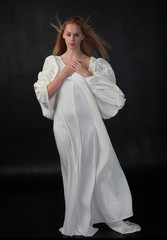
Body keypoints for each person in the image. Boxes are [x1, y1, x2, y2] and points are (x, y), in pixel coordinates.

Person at [33, 16, 141, 237]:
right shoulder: (52, 63)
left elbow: (113, 97)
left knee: (101, 170)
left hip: (91, 127)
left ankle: (107, 214)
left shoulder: (96, 64)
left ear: (83, 36)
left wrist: (86, 74)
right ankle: (79, 220)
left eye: (76, 34)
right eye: (68, 34)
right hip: (65, 127)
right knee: (74, 171)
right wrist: (64, 73)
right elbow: (44, 94)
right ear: (63, 36)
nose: (72, 38)